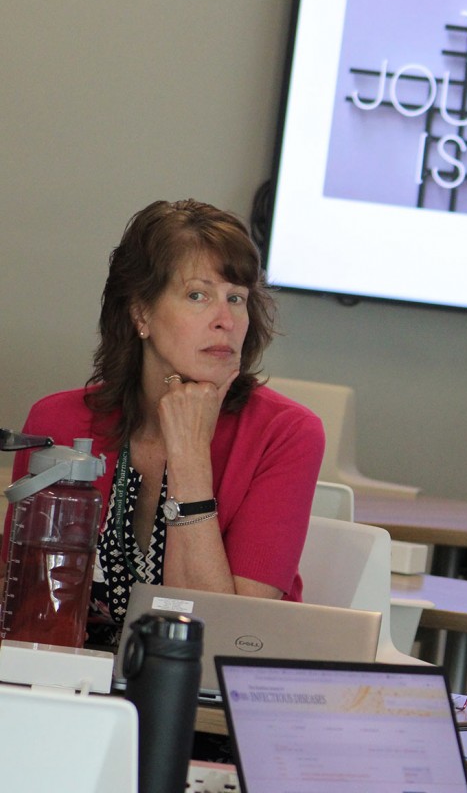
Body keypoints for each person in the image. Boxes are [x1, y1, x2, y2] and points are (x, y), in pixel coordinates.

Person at [8, 199, 324, 646]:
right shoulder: (57, 420)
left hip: (208, 702)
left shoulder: (286, 434)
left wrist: (190, 457)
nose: (226, 320)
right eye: (198, 295)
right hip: (67, 692)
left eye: (237, 298)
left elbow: (227, 638)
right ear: (141, 313)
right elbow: (19, 603)